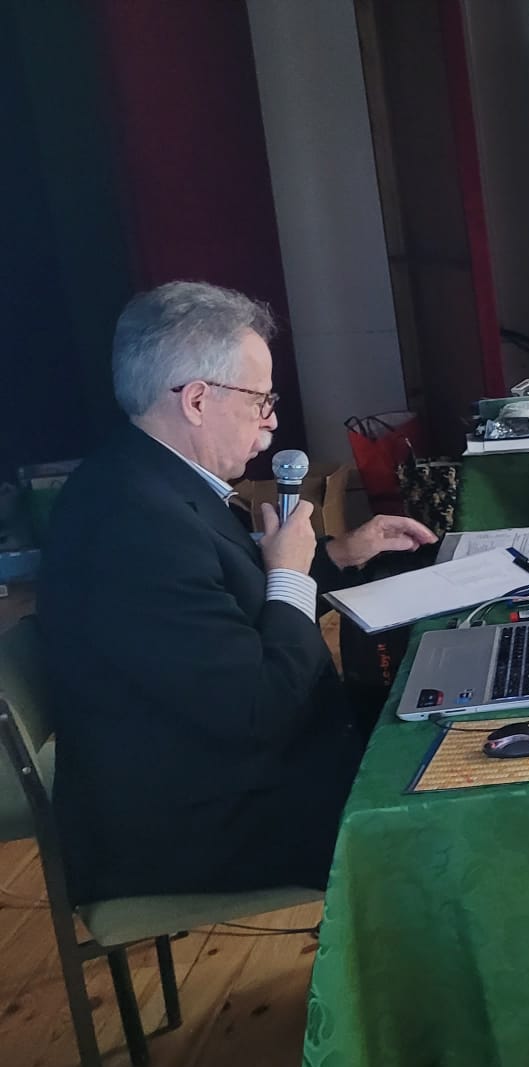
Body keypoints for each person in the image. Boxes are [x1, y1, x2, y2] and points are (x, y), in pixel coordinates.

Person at [38, 281, 437, 904]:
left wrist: (339, 553)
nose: (272, 419)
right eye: (260, 399)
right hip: (197, 825)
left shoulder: (149, 476)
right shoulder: (133, 523)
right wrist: (289, 575)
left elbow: (230, 596)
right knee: (452, 796)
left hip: (227, 770)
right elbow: (263, 707)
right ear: (198, 400)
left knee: (435, 717)